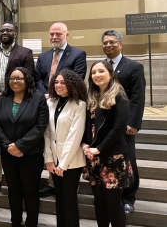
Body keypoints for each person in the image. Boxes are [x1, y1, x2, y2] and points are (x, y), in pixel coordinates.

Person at [36, 22, 87, 197]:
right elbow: (37, 78)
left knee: (66, 136)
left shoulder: (78, 54)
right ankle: (53, 182)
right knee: (50, 135)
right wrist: (48, 94)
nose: (54, 37)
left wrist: (57, 92)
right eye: (52, 34)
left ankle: (67, 180)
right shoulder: (43, 56)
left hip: (68, 103)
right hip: (48, 101)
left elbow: (77, 77)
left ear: (67, 35)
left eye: (58, 34)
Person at [0, 21, 35, 192]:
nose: (5, 32)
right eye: (2, 30)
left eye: (9, 30)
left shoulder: (25, 53)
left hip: (16, 100)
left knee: (12, 133)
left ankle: (16, 173)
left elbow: (28, 77)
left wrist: (7, 95)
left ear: (15, 32)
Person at [0, 67, 48, 227]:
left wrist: (20, 146)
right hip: (8, 155)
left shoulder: (38, 98)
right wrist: (7, 145)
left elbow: (40, 126)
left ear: (27, 80)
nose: (15, 82)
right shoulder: (2, 99)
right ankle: (15, 222)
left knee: (30, 192)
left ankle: (32, 223)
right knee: (13, 192)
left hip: (31, 154)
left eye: (19, 78)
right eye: (12, 78)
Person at [82, 60, 133, 227]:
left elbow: (119, 129)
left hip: (113, 156)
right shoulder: (92, 96)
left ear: (111, 74)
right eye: (94, 72)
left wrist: (99, 148)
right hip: (94, 156)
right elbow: (88, 125)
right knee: (98, 201)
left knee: (113, 202)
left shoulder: (119, 95)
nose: (97, 75)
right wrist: (85, 144)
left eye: (101, 71)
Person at [101, 30, 145, 214]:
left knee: (128, 160)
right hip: (106, 124)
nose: (108, 45)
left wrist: (133, 123)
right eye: (105, 43)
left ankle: (128, 198)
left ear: (120, 44)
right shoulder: (101, 66)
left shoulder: (133, 67)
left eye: (112, 42)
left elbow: (137, 97)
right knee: (110, 160)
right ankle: (111, 193)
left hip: (125, 125)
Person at [44, 69, 87, 227]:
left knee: (69, 200)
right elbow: (46, 133)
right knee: (59, 199)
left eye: (63, 82)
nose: (59, 85)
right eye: (56, 82)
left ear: (71, 84)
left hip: (71, 162)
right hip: (54, 160)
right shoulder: (50, 103)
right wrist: (49, 160)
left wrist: (63, 163)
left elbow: (75, 136)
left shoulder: (79, 105)